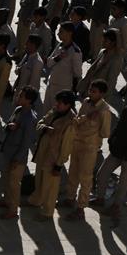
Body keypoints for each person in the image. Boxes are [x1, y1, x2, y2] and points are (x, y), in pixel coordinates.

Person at [64, 80, 112, 220]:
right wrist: (86, 119)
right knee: (73, 172)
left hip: (89, 148)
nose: (90, 93)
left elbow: (105, 133)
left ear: (102, 94)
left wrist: (92, 131)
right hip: (77, 143)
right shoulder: (86, 102)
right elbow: (78, 119)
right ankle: (70, 198)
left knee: (85, 178)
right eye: (90, 90)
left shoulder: (104, 110)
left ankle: (81, 207)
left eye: (94, 91)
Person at [29, 90, 77, 221]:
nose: (57, 105)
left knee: (51, 187)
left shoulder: (71, 121)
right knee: (39, 179)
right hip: (43, 152)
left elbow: (67, 146)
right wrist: (44, 128)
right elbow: (40, 122)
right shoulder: (55, 111)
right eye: (57, 102)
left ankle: (47, 212)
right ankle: (36, 200)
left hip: (54, 158)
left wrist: (59, 165)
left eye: (60, 103)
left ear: (68, 105)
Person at [0, 87, 39, 219]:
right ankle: (6, 200)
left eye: (21, 96)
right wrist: (9, 126)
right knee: (6, 179)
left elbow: (26, 142)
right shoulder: (18, 110)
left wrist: (17, 159)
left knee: (14, 184)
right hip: (8, 151)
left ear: (29, 100)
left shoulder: (30, 118)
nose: (18, 97)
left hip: (17, 157)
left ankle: (13, 210)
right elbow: (7, 124)